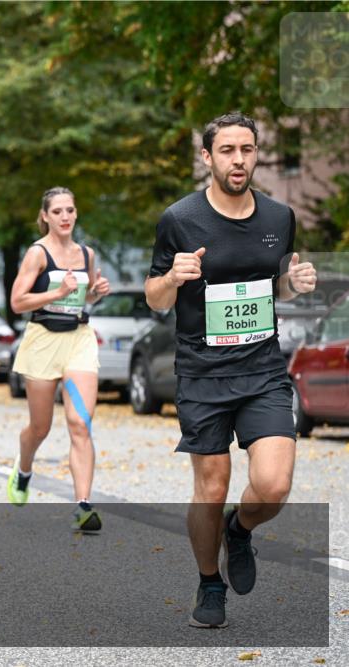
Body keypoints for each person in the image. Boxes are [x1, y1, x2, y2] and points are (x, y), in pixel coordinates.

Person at [145, 112, 317, 630]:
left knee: (272, 485)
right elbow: (155, 299)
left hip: (262, 367)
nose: (238, 160)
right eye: (227, 150)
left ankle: (238, 531)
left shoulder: (278, 217)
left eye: (246, 149)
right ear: (207, 157)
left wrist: (295, 283)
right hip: (202, 371)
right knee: (212, 484)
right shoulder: (179, 219)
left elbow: (275, 286)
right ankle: (209, 582)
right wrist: (173, 276)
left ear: (256, 153)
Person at [7, 186, 110, 531]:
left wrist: (95, 293)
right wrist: (58, 292)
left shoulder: (87, 254)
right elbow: (18, 302)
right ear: (45, 217)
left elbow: (87, 299)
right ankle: (23, 471)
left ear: (76, 213)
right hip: (42, 341)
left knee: (80, 424)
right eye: (58, 212)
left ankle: (83, 506)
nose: (65, 217)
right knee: (41, 427)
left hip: (79, 340)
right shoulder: (37, 254)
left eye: (70, 210)